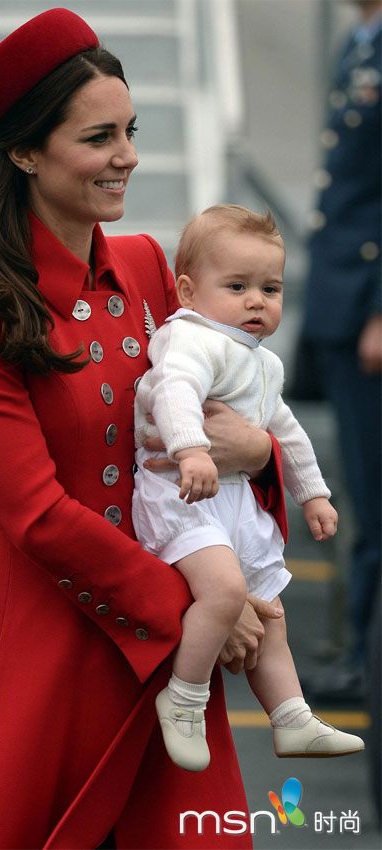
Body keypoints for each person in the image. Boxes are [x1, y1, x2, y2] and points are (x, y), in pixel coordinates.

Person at [0, 10, 287, 850]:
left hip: (171, 643)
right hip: (48, 647)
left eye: (131, 130)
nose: (128, 156)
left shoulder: (155, 268)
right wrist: (194, 607)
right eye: (98, 137)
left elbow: (239, 426)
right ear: (25, 152)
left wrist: (258, 456)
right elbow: (32, 512)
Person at [133, 205, 365, 772]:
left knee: (272, 612)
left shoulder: (260, 363)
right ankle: (184, 699)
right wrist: (190, 449)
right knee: (224, 592)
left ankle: (291, 716)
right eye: (237, 286)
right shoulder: (188, 338)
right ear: (187, 290)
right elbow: (174, 393)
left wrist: (314, 493)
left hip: (232, 498)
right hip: (182, 494)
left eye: (271, 287)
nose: (257, 301)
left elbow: (286, 430)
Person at [299, 0, 381, 703]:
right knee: (359, 492)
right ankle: (357, 646)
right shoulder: (359, 42)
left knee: (374, 501)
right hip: (341, 297)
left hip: (366, 307)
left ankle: (366, 655)